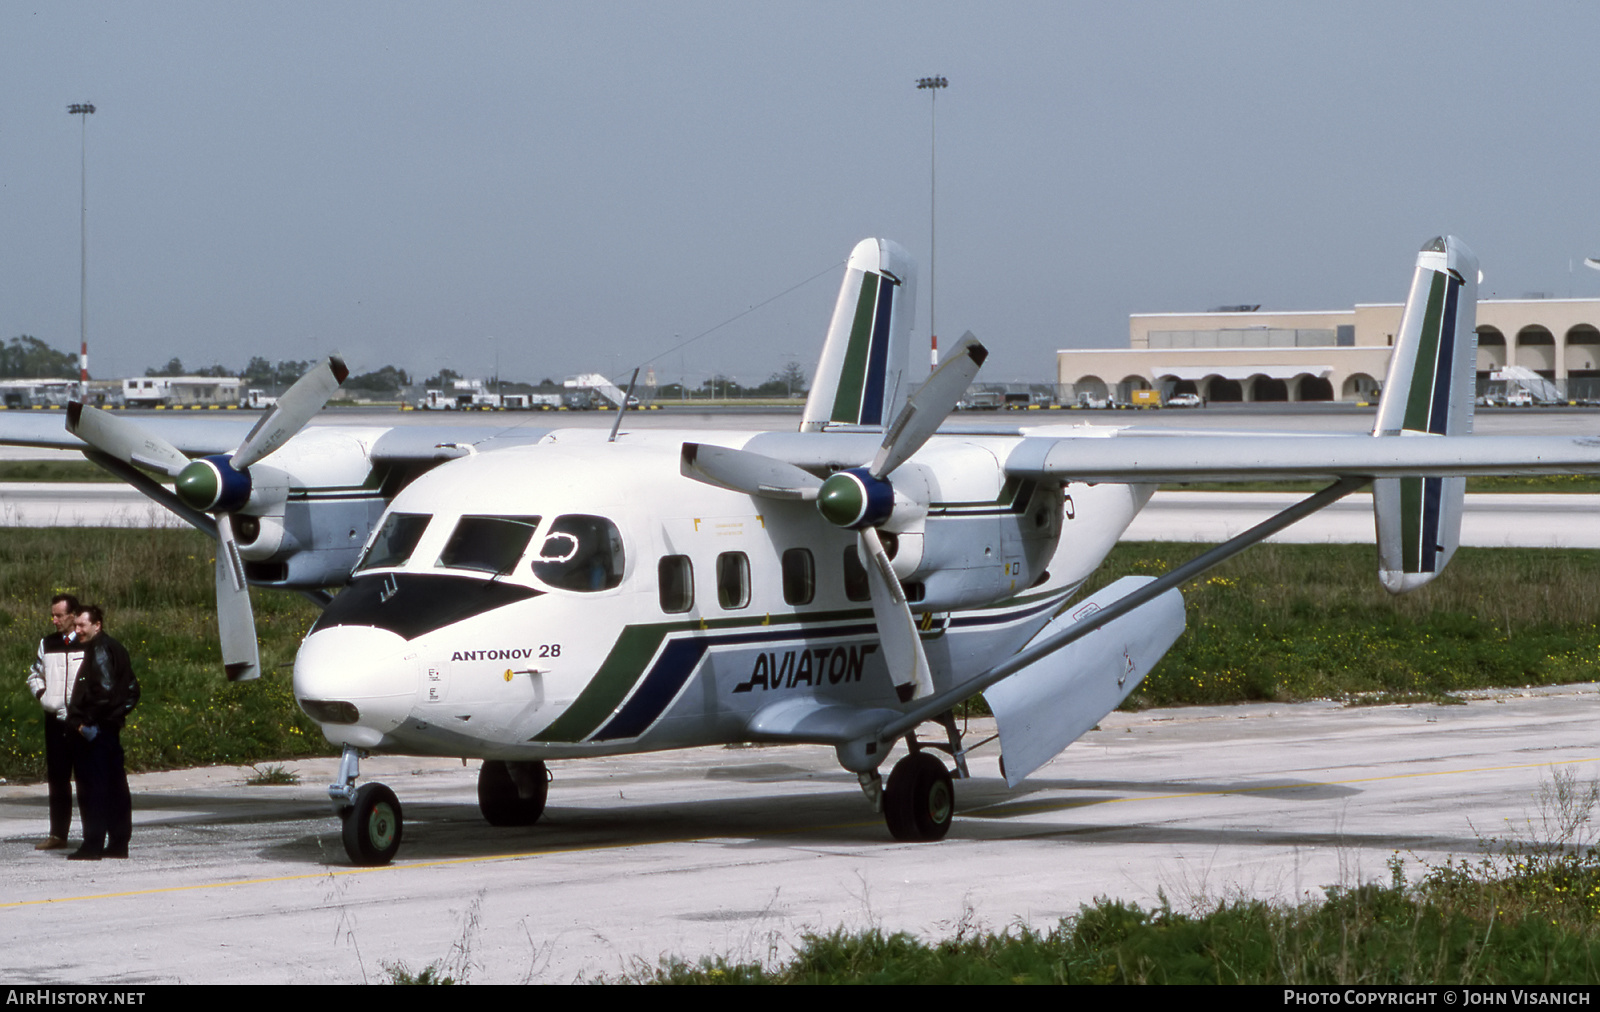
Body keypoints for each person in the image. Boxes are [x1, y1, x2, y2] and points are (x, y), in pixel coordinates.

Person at [64, 605, 139, 861]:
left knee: (92, 788)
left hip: (95, 733)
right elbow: (132, 690)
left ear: (98, 625)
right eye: (76, 626)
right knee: (115, 786)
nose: (77, 631)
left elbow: (104, 692)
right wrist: (117, 717)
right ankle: (119, 843)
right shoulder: (115, 648)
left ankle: (92, 844)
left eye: (82, 625)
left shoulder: (99, 650)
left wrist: (86, 722)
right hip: (109, 731)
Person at [26, 593, 83, 850]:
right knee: (58, 779)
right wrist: (43, 696)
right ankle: (58, 834)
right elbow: (34, 675)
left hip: (81, 721)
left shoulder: (88, 643)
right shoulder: (47, 643)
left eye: (59, 615)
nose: (55, 620)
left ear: (73, 616)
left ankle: (95, 833)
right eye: (53, 615)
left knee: (87, 778)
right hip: (55, 721)